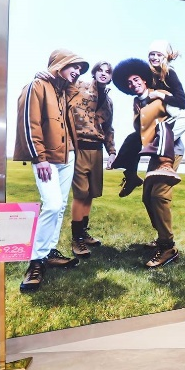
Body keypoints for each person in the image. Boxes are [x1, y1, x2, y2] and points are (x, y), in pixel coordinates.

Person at [13, 49, 88, 292]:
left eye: (80, 69)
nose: (77, 71)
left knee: (61, 206)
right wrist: (39, 158)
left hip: (68, 157)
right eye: (74, 66)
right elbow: (29, 123)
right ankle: (36, 261)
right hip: (46, 159)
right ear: (60, 64)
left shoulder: (65, 91)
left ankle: (49, 252)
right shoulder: (36, 86)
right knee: (52, 205)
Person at [112, 57, 181, 268]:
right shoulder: (137, 103)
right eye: (129, 83)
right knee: (147, 198)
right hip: (154, 155)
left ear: (143, 79)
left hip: (170, 152)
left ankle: (168, 247)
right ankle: (162, 238)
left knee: (159, 196)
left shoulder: (161, 96)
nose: (133, 84)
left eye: (136, 79)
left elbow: (183, 119)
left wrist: (165, 141)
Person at [110, 41, 185, 197]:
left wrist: (159, 95)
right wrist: (141, 100)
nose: (154, 57)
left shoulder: (169, 73)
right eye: (152, 54)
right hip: (157, 120)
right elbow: (143, 92)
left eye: (158, 54)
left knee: (158, 196)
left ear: (165, 57)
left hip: (173, 111)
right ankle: (131, 176)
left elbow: (182, 102)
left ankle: (165, 162)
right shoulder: (150, 75)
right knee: (132, 139)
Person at [66, 60, 116, 257]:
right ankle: (76, 239)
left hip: (97, 150)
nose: (103, 74)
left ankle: (83, 232)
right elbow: (59, 89)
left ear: (111, 77)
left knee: (90, 194)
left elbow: (108, 128)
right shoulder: (79, 86)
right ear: (94, 73)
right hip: (79, 147)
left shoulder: (109, 102)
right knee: (80, 194)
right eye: (100, 70)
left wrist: (112, 152)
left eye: (108, 72)